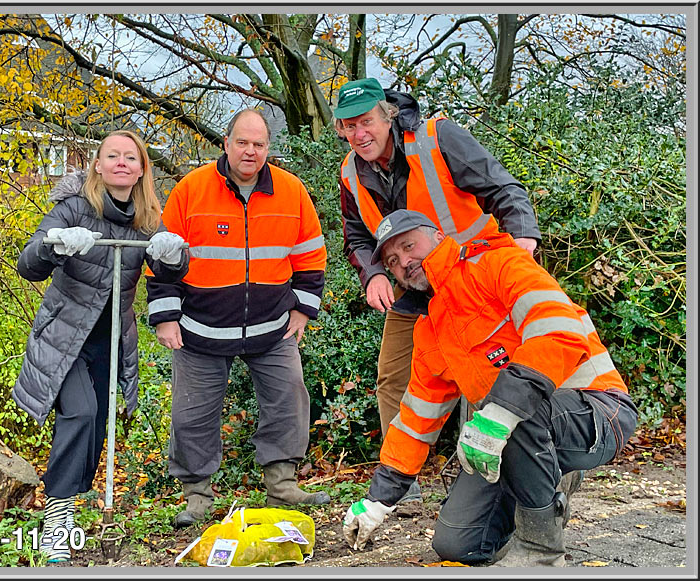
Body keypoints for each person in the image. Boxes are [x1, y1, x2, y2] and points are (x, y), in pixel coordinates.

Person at [341, 210, 638, 567]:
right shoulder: (429, 330)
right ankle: (538, 484)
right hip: (512, 434)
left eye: (408, 245)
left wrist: (497, 414)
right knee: (457, 544)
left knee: (516, 407)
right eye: (393, 260)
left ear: (437, 237)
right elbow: (416, 419)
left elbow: (557, 331)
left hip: (598, 410)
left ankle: (540, 554)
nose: (404, 261)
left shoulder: (498, 262)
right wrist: (378, 499)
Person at [333, 77, 542, 509]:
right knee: (393, 378)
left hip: (474, 281)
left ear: (387, 114)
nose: (360, 134)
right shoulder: (349, 173)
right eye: (349, 127)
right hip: (414, 293)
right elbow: (356, 236)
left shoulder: (437, 138)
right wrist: (373, 273)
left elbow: (502, 187)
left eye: (366, 121)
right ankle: (401, 483)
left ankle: (524, 471)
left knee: (495, 375)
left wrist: (521, 238)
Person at [12, 130, 189, 562]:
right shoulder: (73, 207)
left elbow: (171, 273)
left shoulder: (147, 218)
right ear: (98, 164)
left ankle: (69, 506)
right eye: (113, 155)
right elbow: (28, 262)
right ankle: (56, 521)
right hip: (64, 336)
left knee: (95, 426)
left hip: (111, 339)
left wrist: (173, 253)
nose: (122, 163)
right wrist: (56, 245)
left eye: (131, 157)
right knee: (81, 413)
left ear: (143, 168)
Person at [154, 109, 330, 528]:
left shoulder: (292, 191)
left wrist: (304, 309)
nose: (250, 151)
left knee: (289, 399)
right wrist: (165, 317)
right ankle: (197, 497)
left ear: (268, 148)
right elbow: (161, 262)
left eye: (259, 144)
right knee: (190, 416)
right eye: (242, 142)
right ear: (226, 143)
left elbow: (311, 257)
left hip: (272, 329)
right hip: (200, 329)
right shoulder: (190, 190)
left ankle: (283, 484)